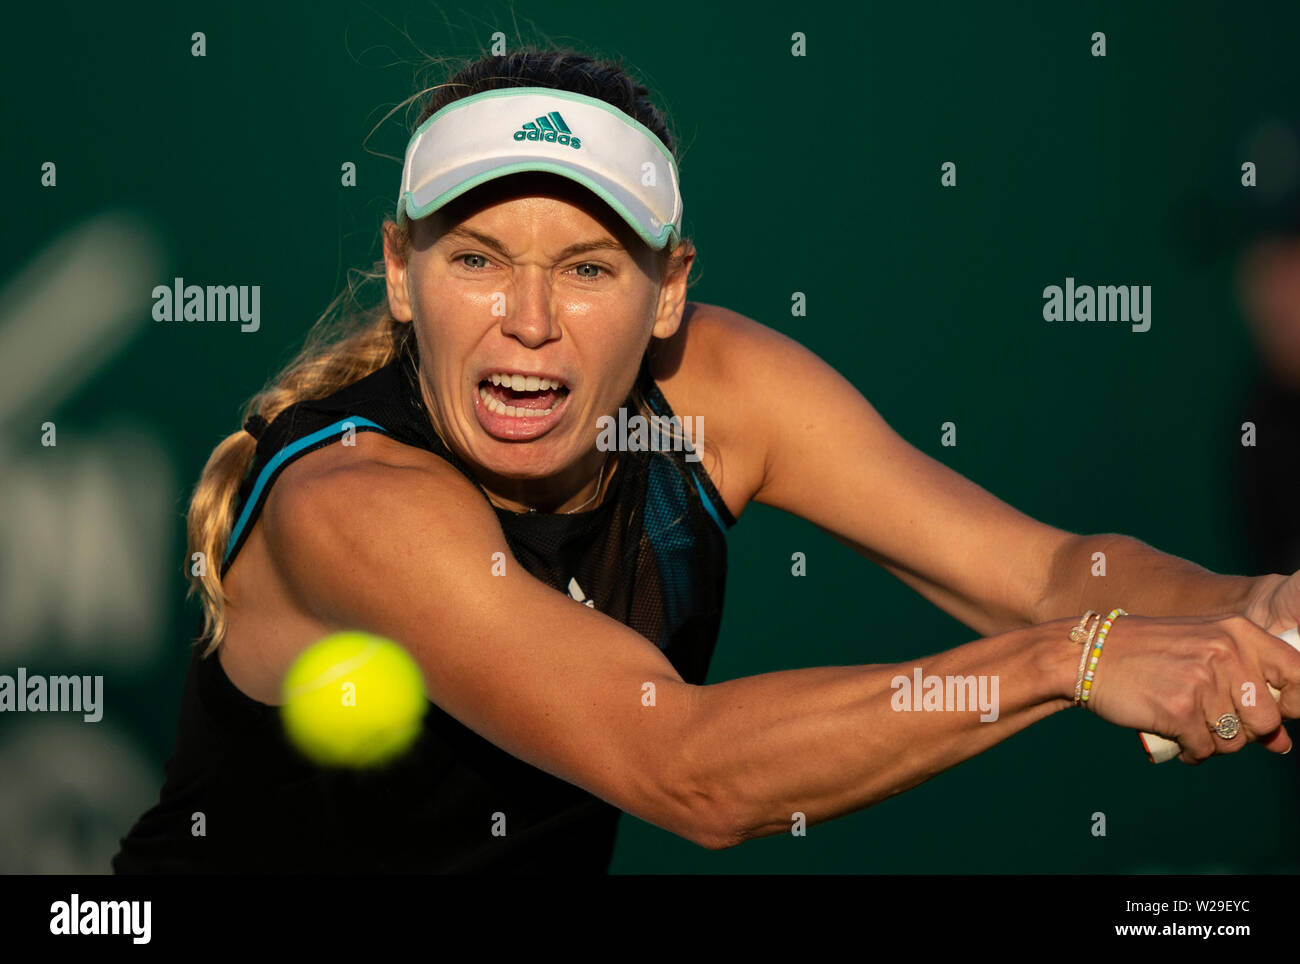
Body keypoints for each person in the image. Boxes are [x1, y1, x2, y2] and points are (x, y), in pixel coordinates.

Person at [113, 47, 1300, 873]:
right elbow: (687, 771)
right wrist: (1069, 664)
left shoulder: (718, 390)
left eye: (588, 268)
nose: (528, 318)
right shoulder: (351, 505)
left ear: (668, 290)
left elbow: (1047, 570)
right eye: (476, 258)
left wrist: (1255, 611)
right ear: (398, 272)